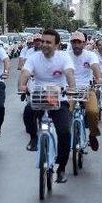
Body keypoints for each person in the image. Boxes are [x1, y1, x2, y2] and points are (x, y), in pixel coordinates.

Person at [18, 29, 76, 184]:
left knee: (64, 132)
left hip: (59, 100)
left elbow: (69, 73)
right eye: (43, 41)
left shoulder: (64, 57)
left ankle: (61, 168)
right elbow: (25, 72)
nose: (44, 45)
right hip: (39, 97)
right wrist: (22, 85)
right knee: (28, 112)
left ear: (56, 45)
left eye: (48, 42)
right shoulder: (33, 57)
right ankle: (33, 138)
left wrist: (71, 87)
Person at [68, 31, 102, 151]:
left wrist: (98, 79)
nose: (77, 45)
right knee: (66, 112)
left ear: (84, 43)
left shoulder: (90, 55)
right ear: (71, 43)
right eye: (74, 42)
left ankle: (93, 135)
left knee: (93, 112)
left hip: (87, 89)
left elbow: (96, 68)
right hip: (70, 90)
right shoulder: (66, 56)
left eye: (79, 42)